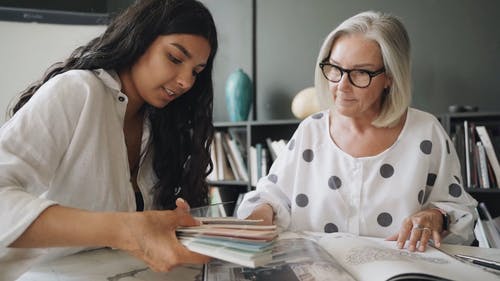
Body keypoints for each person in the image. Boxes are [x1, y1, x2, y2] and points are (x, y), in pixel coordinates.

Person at [0, 0, 218, 279]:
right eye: (175, 58)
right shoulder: (78, 91)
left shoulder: (161, 127)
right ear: (139, 40)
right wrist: (126, 229)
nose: (186, 82)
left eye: (196, 72)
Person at [237, 11, 477, 252]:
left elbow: (461, 214)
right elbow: (270, 197)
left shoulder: (426, 132)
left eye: (361, 72)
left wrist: (436, 216)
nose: (342, 85)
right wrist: (260, 216)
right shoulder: (310, 131)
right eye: (335, 68)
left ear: (390, 78)